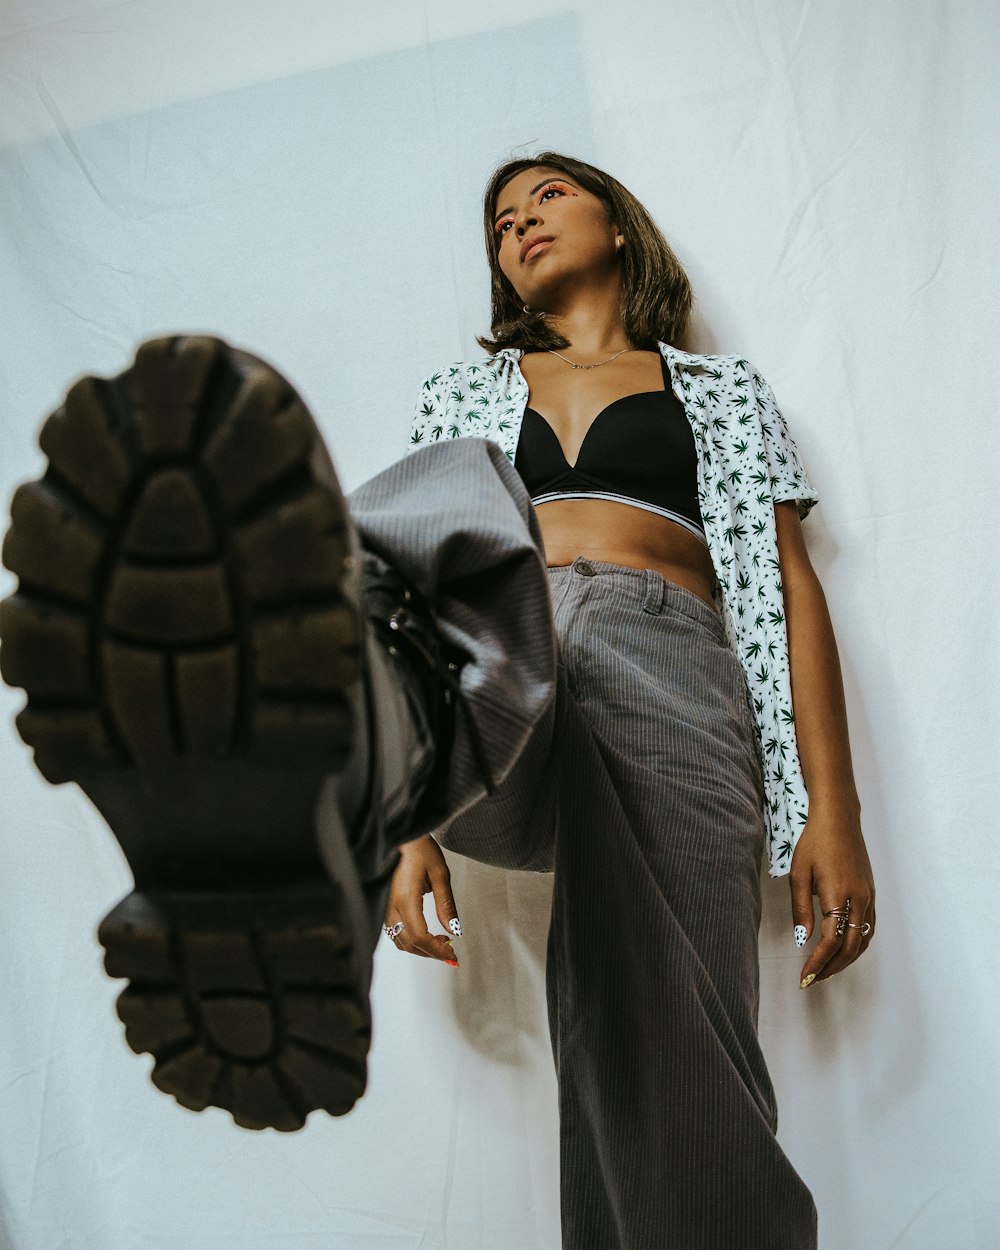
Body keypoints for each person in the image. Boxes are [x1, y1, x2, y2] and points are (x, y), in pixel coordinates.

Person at [0, 151, 874, 1249]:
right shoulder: (461, 393)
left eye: (547, 197)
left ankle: (336, 789)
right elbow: (436, 556)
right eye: (502, 220)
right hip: (491, 670)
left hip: (669, 672)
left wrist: (828, 813)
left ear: (619, 228)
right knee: (439, 493)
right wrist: (415, 826)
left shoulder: (720, 391)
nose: (519, 223)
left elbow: (792, 592)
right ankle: (340, 747)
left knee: (655, 1028)